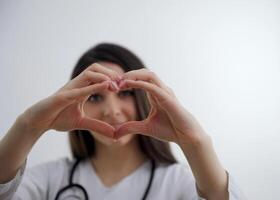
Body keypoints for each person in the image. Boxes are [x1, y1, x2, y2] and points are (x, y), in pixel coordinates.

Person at [0, 43, 246, 200]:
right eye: (95, 96)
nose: (112, 110)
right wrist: (29, 125)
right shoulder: (51, 178)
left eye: (125, 93)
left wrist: (195, 142)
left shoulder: (178, 182)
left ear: (144, 97)